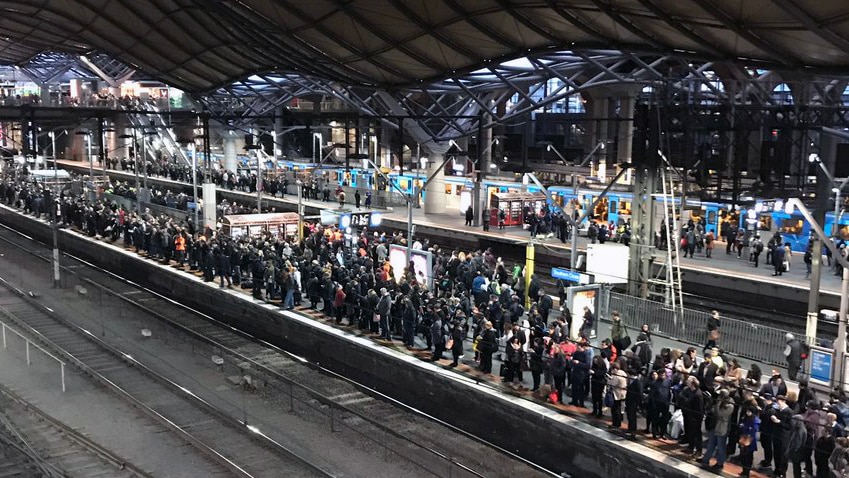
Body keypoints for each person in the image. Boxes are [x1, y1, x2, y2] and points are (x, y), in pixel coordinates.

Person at [701, 388, 735, 470]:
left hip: (722, 428)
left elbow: (720, 414)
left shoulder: (730, 405)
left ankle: (720, 463)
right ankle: (705, 459)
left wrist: (718, 404)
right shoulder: (718, 403)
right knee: (710, 445)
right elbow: (712, 411)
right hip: (714, 426)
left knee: (721, 447)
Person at [738, 406, 761, 477]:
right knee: (743, 457)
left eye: (749, 411)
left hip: (750, 441)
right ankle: (744, 471)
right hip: (743, 438)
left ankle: (747, 472)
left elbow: (753, 430)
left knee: (748, 458)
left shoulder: (755, 420)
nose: (747, 413)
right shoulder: (745, 417)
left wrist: (744, 427)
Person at [608, 361, 627, 429]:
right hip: (622, 394)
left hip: (617, 394)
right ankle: (617, 423)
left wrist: (609, 379)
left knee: (615, 410)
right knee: (618, 408)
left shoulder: (617, 376)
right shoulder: (623, 373)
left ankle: (616, 423)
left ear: (615, 369)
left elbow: (612, 383)